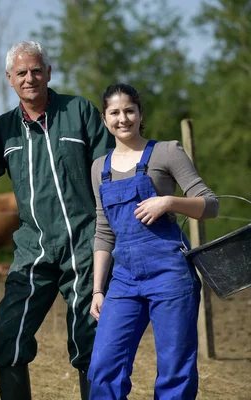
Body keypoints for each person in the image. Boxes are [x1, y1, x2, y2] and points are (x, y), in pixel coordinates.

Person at [0, 41, 114, 400]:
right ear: (10, 79)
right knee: (7, 336)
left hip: (85, 243)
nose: (30, 78)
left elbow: (110, 171)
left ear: (48, 74)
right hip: (33, 247)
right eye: (22, 73)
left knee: (91, 341)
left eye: (36, 71)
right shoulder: (2, 128)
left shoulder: (79, 111)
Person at [87, 83, 219, 399]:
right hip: (124, 280)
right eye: (114, 112)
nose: (123, 118)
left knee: (175, 369)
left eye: (129, 110)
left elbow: (210, 204)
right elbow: (104, 232)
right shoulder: (98, 168)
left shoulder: (167, 152)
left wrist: (168, 202)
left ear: (140, 114)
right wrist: (97, 289)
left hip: (170, 275)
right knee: (104, 365)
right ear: (105, 119)